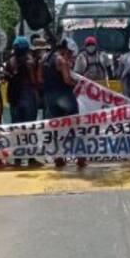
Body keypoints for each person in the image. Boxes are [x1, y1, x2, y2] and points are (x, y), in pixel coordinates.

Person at [42, 37, 86, 169]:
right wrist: (77, 83)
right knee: (74, 126)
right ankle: (80, 157)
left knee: (56, 128)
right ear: (65, 49)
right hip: (65, 97)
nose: (70, 55)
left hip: (50, 97)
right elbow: (67, 80)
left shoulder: (45, 59)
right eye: (69, 52)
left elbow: (39, 78)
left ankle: (58, 158)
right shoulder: (61, 60)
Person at [4, 36, 44, 168]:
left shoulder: (10, 62)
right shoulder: (30, 62)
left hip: (14, 97)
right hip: (28, 96)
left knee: (16, 129)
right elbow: (34, 81)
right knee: (30, 128)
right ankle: (31, 158)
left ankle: (17, 159)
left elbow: (6, 78)